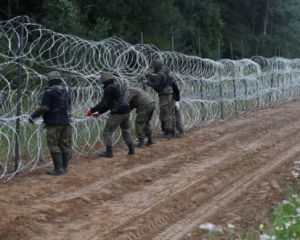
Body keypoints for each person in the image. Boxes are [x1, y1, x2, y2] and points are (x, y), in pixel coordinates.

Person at [29, 71, 71, 175]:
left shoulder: (49, 91)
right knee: (65, 144)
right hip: (65, 121)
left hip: (53, 122)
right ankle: (64, 167)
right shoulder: (66, 91)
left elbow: (44, 107)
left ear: (50, 80)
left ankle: (58, 169)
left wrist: (33, 116)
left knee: (53, 144)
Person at [86, 72, 135, 158]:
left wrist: (91, 110)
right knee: (126, 130)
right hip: (126, 111)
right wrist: (100, 112)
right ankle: (131, 149)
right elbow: (109, 105)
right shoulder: (115, 87)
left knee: (107, 131)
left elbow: (104, 104)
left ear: (104, 81)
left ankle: (109, 152)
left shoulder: (109, 90)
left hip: (119, 112)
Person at [144, 59, 174, 139]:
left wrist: (147, 82)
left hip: (164, 95)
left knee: (165, 112)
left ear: (155, 66)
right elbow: (155, 78)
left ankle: (168, 133)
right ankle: (171, 131)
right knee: (169, 112)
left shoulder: (159, 74)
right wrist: (148, 75)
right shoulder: (163, 71)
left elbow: (156, 85)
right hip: (168, 93)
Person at [161, 66, 184, 138]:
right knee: (165, 115)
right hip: (167, 100)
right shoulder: (163, 79)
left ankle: (181, 131)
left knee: (176, 115)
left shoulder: (171, 80)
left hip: (172, 100)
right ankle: (169, 131)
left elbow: (177, 91)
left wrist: (177, 101)